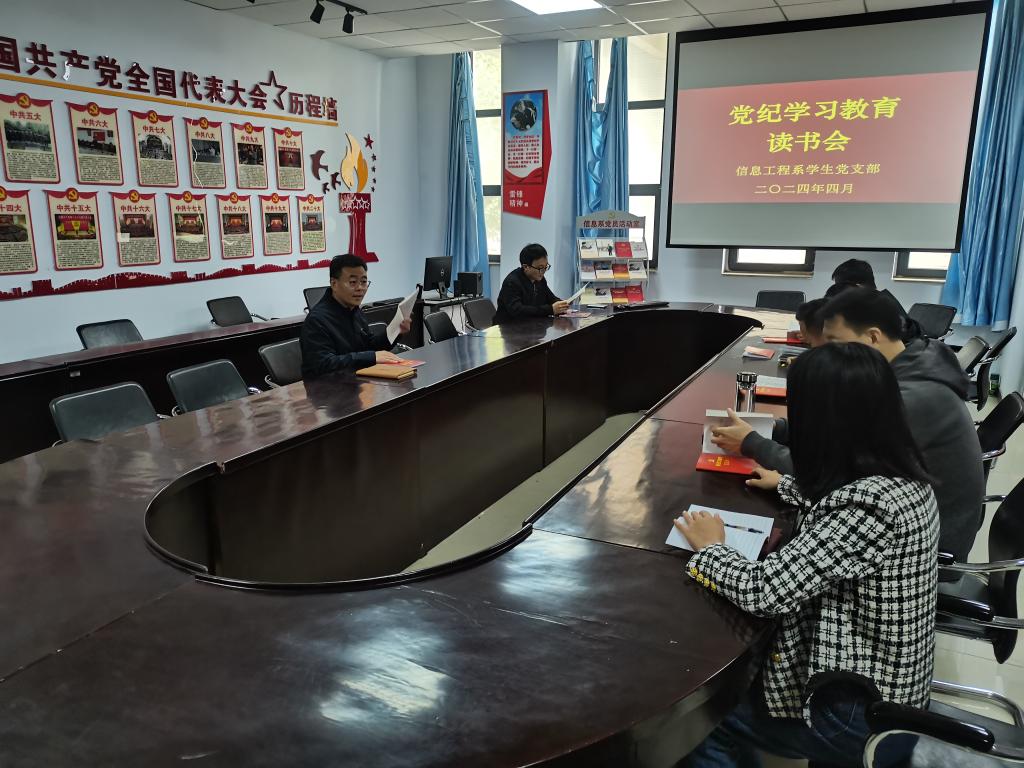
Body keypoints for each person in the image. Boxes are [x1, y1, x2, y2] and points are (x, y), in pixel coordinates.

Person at [677, 343, 938, 768]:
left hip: (854, 710)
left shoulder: (869, 507)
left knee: (701, 721)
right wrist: (786, 485)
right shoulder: (901, 472)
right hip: (880, 686)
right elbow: (839, 514)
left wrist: (712, 549)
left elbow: (764, 592)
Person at [712, 287, 983, 561]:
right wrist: (774, 429)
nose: (820, 350)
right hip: (893, 518)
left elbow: (828, 471)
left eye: (833, 342)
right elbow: (838, 434)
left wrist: (753, 443)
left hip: (917, 547)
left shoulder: (912, 398)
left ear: (873, 337)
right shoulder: (908, 364)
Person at [300, 253, 411, 379]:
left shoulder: (354, 310)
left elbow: (369, 346)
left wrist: (396, 331)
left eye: (363, 282)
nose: (360, 288)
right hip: (326, 387)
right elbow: (323, 364)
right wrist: (370, 357)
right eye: (353, 282)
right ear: (334, 284)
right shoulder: (317, 320)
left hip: (356, 382)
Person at [493, 243, 569, 324]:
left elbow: (551, 298)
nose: (543, 271)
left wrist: (562, 304)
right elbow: (518, 311)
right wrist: (550, 309)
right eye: (540, 268)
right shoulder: (512, 282)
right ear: (526, 267)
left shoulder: (539, 280)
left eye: (546, 267)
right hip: (508, 327)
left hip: (530, 326)